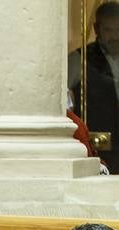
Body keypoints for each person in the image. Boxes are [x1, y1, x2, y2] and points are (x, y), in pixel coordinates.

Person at [69, 2, 119, 171]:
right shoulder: (79, 59)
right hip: (98, 151)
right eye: (108, 30)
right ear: (97, 29)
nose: (115, 37)